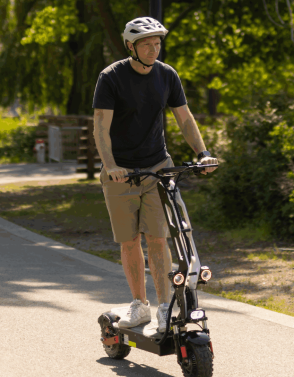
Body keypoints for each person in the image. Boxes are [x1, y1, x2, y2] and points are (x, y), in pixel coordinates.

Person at [92, 17, 218, 333]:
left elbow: (184, 118)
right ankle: (139, 304)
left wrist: (202, 153)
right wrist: (110, 165)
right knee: (130, 241)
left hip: (157, 168)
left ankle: (164, 307)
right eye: (146, 44)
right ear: (130, 46)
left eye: (157, 43)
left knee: (158, 238)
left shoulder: (167, 75)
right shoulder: (111, 77)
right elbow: (101, 127)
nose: (153, 49)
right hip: (121, 172)